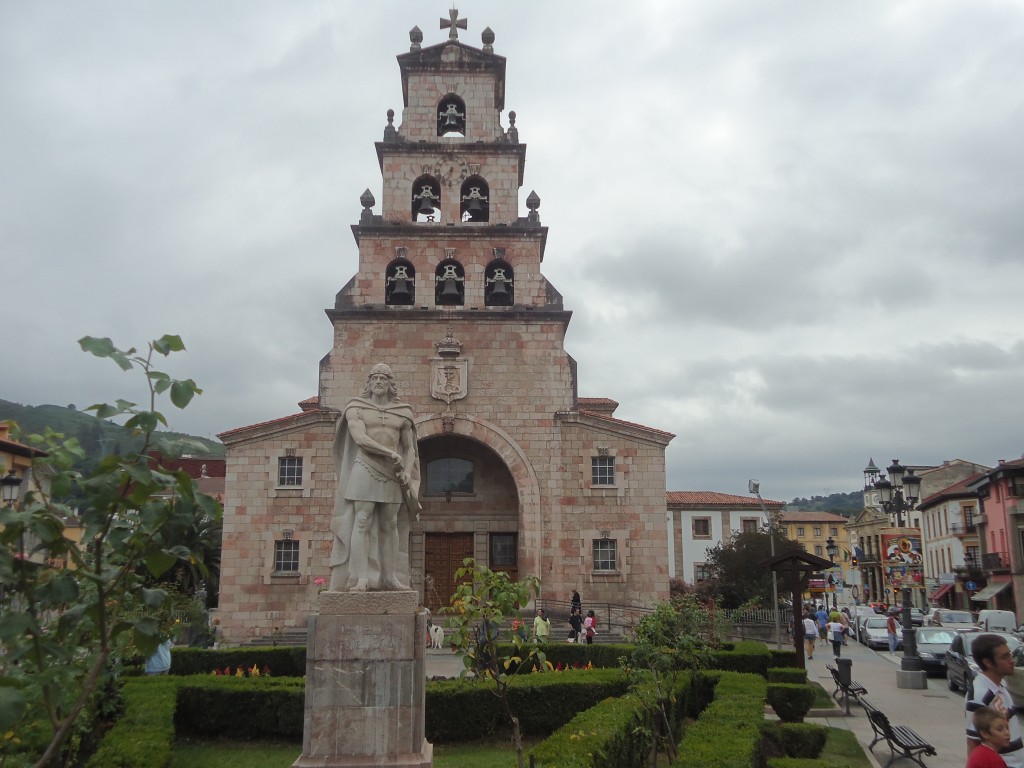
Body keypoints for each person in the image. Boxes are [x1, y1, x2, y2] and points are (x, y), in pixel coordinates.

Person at [329, 364, 421, 592]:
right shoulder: (356, 408)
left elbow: (410, 448)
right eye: (375, 378)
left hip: (393, 473)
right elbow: (360, 439)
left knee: (391, 524)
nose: (378, 382)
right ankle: (361, 578)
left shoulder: (403, 412)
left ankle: (390, 577)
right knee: (362, 520)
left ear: (390, 384)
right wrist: (390, 454)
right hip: (365, 467)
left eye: (383, 378)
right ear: (369, 383)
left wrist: (407, 472)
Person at [966, 634, 1023, 767]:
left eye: (1010, 655)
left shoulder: (1001, 685)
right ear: (988, 662)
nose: (1012, 660)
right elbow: (973, 742)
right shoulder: (979, 694)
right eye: (1005, 657)